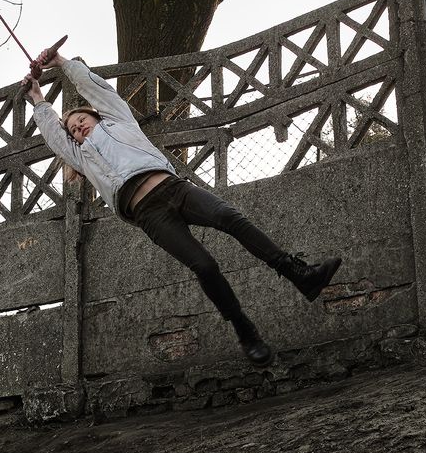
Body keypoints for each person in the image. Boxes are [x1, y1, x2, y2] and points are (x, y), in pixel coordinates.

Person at [21, 47, 342, 367]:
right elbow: (54, 135)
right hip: (149, 214)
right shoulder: (82, 156)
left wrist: (61, 63)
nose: (78, 127)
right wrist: (37, 97)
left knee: (229, 217)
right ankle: (245, 331)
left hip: (175, 189)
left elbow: (96, 89)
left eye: (81, 119)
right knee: (204, 266)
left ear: (95, 116)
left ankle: (299, 273)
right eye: (73, 130)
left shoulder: (119, 121)